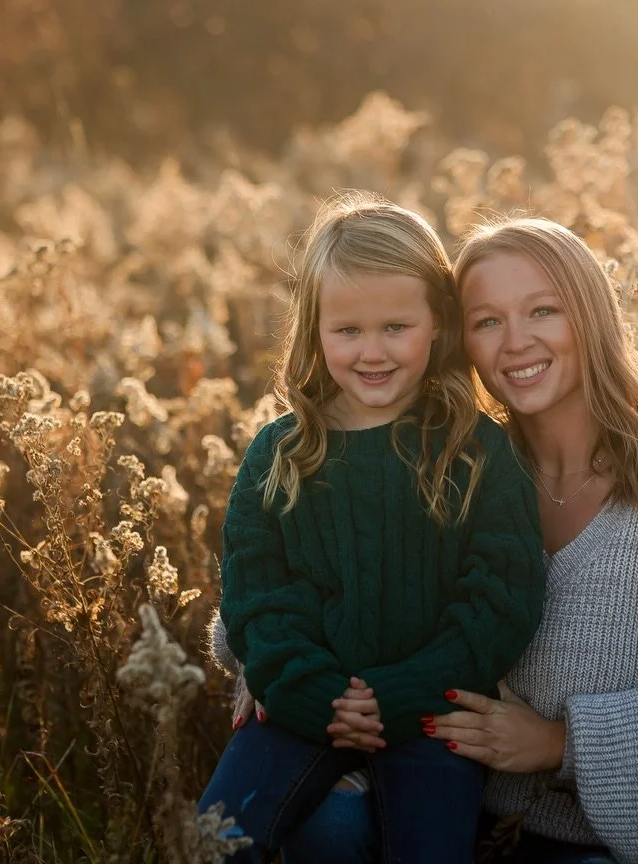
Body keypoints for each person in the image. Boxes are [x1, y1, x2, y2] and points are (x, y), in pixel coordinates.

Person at [229, 215, 638, 863]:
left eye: (543, 311)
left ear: (590, 318)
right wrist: (270, 670)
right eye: (487, 320)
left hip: (608, 845)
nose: (515, 342)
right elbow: (301, 570)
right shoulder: (456, 462)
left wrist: (562, 742)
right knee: (330, 823)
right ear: (457, 336)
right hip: (465, 818)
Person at [197, 195, 548, 864]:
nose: (372, 352)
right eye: (347, 330)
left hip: (429, 716)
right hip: (303, 710)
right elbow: (258, 594)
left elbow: (501, 599)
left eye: (396, 326)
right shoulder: (281, 454)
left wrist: (402, 692)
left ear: (437, 326)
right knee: (215, 839)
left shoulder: (475, 451)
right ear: (315, 330)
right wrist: (308, 688)